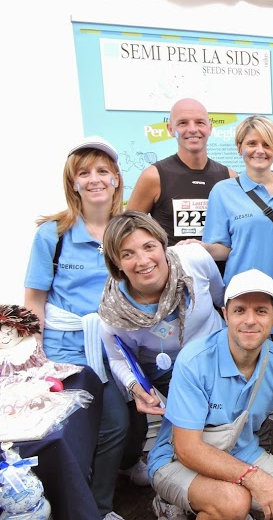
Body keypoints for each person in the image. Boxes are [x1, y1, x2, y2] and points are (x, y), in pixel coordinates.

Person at [146, 269, 273, 520]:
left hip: (241, 450)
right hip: (176, 460)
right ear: (225, 314)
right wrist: (253, 479)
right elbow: (186, 448)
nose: (250, 320)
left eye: (261, 311)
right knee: (233, 502)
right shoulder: (194, 360)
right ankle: (174, 501)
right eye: (240, 310)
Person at [23, 136, 128, 519]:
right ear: (73, 183)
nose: (95, 179)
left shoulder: (126, 230)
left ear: (116, 179)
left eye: (103, 171)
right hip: (64, 348)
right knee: (67, 432)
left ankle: (98, 507)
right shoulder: (52, 234)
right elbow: (34, 299)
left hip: (114, 347)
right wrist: (34, 357)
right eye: (85, 173)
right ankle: (67, 505)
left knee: (116, 426)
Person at [97, 211, 226, 519]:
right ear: (116, 263)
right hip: (163, 370)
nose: (142, 261)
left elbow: (223, 298)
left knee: (217, 423)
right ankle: (171, 487)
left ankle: (200, 488)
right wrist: (135, 388)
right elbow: (117, 357)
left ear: (162, 243)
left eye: (148, 246)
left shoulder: (194, 259)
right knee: (185, 425)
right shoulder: (113, 312)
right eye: (127, 254)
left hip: (214, 357)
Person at [199, 115, 273, 358]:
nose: (259, 151)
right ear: (239, 147)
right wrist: (199, 248)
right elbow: (223, 248)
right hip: (245, 301)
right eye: (252, 143)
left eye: (267, 144)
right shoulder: (223, 191)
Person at [126, 98, 236, 249]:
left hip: (222, 271)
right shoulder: (153, 177)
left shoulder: (230, 177)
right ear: (170, 129)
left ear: (210, 128)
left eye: (200, 122)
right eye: (183, 123)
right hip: (174, 271)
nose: (192, 129)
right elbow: (128, 230)